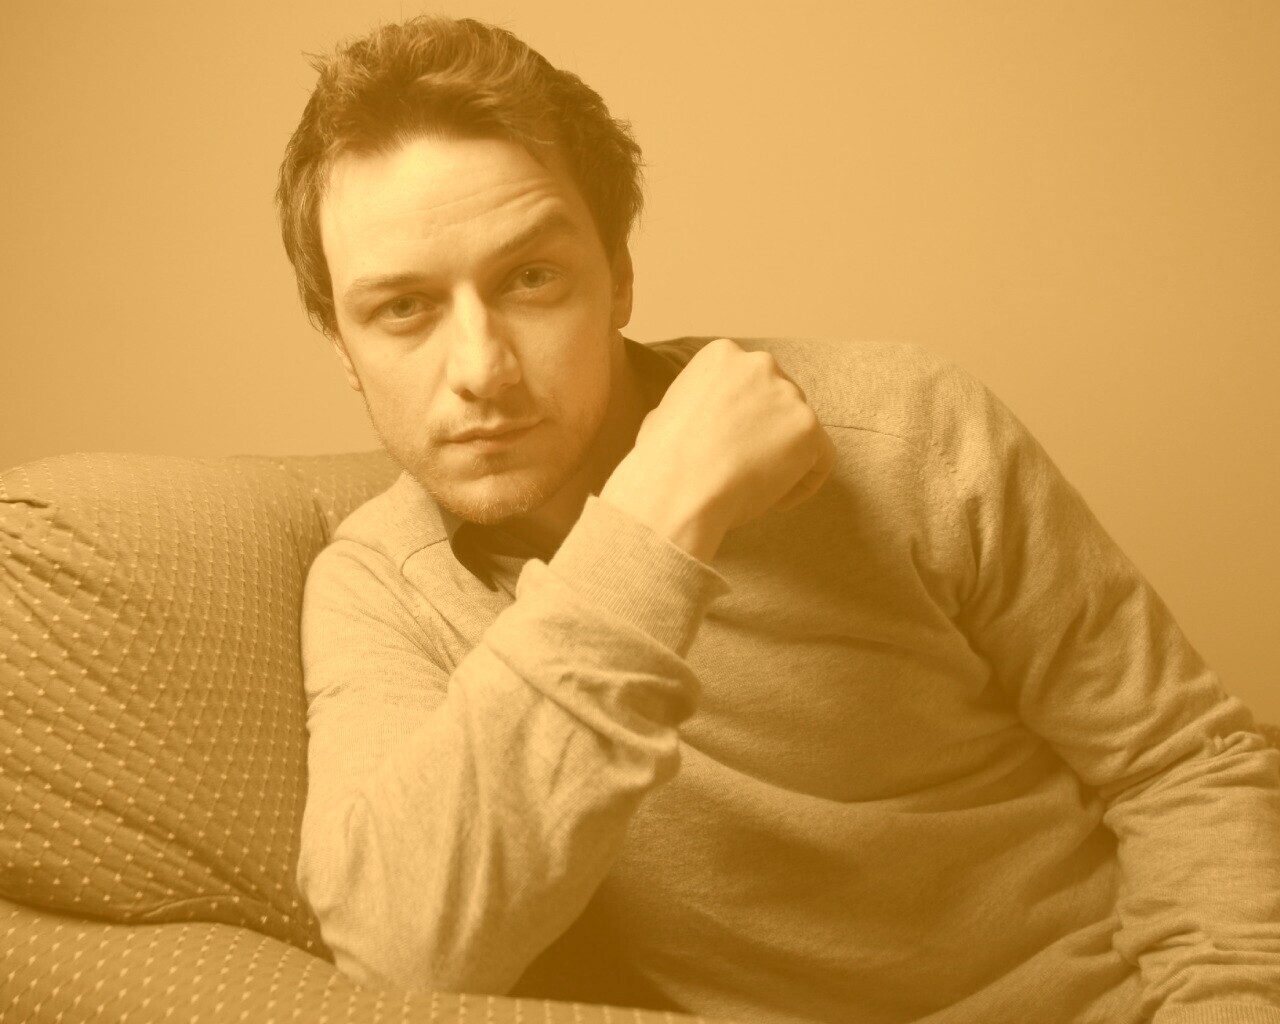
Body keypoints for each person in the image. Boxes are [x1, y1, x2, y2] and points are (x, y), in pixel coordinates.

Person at [276, 15, 1280, 1023]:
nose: (480, 370)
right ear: (340, 346)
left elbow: (1181, 763)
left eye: (530, 279)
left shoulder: (906, 429)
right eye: (401, 308)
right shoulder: (379, 589)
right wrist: (654, 524)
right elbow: (402, 951)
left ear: (619, 277)